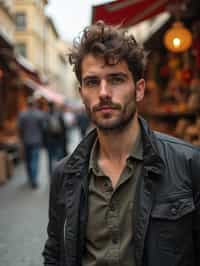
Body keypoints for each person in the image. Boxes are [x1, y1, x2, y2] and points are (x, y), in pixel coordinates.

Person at [43, 21, 200, 266]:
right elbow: (55, 253)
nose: (104, 92)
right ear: (82, 92)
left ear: (138, 90)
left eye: (116, 79)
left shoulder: (189, 164)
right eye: (92, 82)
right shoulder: (64, 175)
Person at [18, 97, 45, 188]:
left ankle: (30, 177)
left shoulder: (22, 115)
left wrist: (21, 140)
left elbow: (20, 129)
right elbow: (43, 128)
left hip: (26, 141)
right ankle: (34, 180)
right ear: (34, 104)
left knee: (28, 160)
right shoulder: (39, 114)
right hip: (36, 141)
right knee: (34, 160)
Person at [44, 101, 67, 177]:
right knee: (59, 157)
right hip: (59, 139)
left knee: (50, 158)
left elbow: (44, 130)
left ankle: (51, 174)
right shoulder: (59, 115)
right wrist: (65, 140)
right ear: (54, 106)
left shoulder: (45, 116)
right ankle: (59, 174)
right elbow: (64, 128)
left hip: (49, 140)